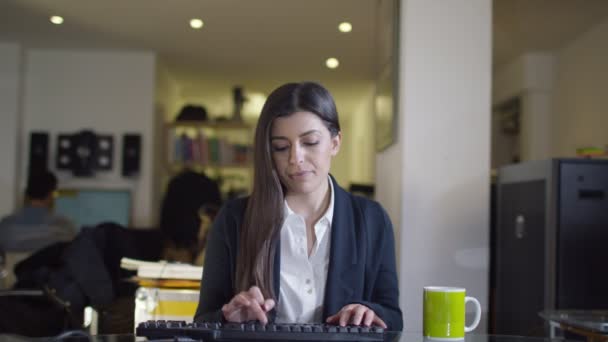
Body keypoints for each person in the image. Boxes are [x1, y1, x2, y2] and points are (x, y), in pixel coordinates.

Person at [194, 82, 403, 330]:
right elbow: (203, 322)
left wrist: (370, 312)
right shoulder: (234, 219)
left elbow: (393, 318)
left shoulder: (372, 220)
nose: (296, 159)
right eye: (281, 147)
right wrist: (228, 318)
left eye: (310, 142)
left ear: (335, 143)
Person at [0, 170, 77, 253]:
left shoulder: (6, 225)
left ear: (26, 195)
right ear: (50, 195)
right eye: (55, 194)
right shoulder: (64, 227)